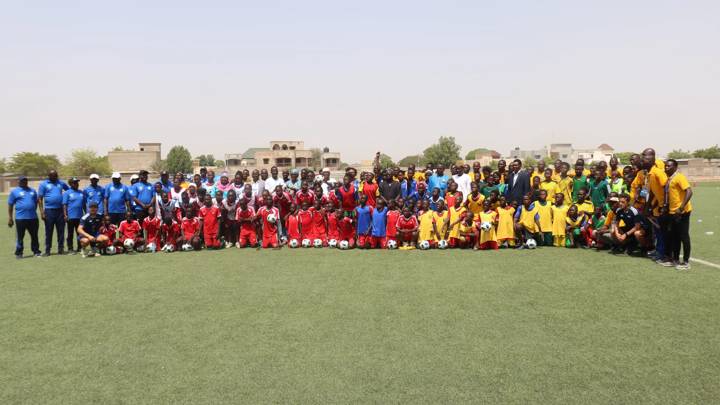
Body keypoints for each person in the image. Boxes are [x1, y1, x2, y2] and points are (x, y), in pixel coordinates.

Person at [662, 159, 693, 270]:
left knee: (683, 236)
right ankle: (675, 260)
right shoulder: (669, 179)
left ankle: (685, 262)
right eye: (665, 166)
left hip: (682, 212)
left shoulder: (679, 177)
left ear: (675, 167)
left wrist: (681, 208)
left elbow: (689, 191)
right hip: (672, 212)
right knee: (674, 237)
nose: (666, 168)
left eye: (669, 166)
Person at [8, 176, 41, 258]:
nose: (24, 182)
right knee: (20, 237)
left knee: (34, 236)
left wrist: (32, 209)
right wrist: (10, 218)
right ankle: (19, 253)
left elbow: (36, 202)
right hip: (20, 218)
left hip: (33, 218)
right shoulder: (14, 192)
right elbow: (10, 205)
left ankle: (36, 251)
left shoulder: (32, 191)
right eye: (22, 181)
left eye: (25, 180)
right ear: (18, 182)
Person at [38, 169, 69, 255]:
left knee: (61, 231)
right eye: (53, 175)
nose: (55, 177)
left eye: (56, 175)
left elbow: (68, 191)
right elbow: (40, 199)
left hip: (60, 210)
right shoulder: (44, 184)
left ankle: (61, 249)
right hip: (49, 211)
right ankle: (48, 250)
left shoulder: (61, 183)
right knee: (49, 231)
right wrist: (42, 212)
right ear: (49, 176)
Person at [62, 177, 85, 254]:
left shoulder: (81, 192)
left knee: (80, 233)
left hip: (80, 216)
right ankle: (70, 248)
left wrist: (86, 214)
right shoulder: (67, 193)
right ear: (70, 184)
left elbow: (84, 205)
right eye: (74, 183)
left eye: (77, 182)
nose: (76, 184)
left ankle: (80, 247)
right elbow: (64, 205)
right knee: (70, 234)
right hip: (71, 217)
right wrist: (65, 215)